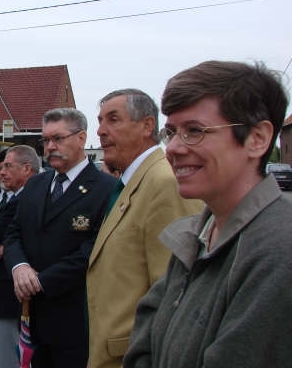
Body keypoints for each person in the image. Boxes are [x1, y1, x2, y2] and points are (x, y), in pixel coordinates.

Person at [124, 61, 292, 368]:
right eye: (172, 132)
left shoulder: (279, 252)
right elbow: (143, 338)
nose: (173, 147)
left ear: (258, 138)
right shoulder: (196, 235)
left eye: (195, 131)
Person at [87, 89, 203, 368]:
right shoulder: (134, 181)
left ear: (147, 126)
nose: (101, 131)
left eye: (113, 120)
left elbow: (174, 297)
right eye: (100, 120)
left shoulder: (164, 183)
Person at [3, 108, 115, 368]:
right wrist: (19, 267)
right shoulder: (35, 184)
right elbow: (13, 232)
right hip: (33, 315)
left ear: (81, 138)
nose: (50, 146)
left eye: (58, 138)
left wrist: (42, 281)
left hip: (76, 317)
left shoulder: (106, 189)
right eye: (45, 140)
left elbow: (96, 248)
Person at [0, 145, 41, 368]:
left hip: (15, 288)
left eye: (8, 167)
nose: (1, 172)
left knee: (13, 354)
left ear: (27, 169)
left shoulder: (28, 199)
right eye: (1, 168)